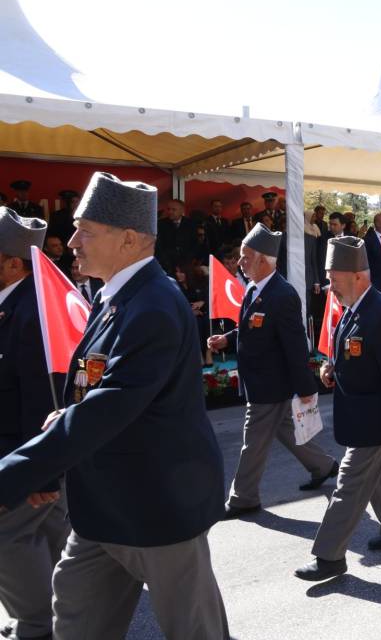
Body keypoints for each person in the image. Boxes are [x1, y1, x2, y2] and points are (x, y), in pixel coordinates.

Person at [0, 172, 229, 638]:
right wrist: (49, 462)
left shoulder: (154, 307)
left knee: (195, 630)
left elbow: (110, 405)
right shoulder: (116, 299)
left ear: (128, 239)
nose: (73, 240)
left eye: (87, 230)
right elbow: (93, 393)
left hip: (157, 507)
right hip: (103, 506)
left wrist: (15, 473)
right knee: (76, 616)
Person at [295, 236, 381, 581]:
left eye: (333, 279)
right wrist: (332, 367)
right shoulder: (354, 308)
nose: (328, 286)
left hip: (376, 419)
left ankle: (329, 556)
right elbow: (352, 351)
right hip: (360, 415)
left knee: (348, 485)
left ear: (358, 277)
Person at [207, 223, 339, 519]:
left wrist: (306, 389)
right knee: (284, 430)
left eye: (245, 257)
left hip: (271, 383)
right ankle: (323, 465)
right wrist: (227, 339)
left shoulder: (283, 295)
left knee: (252, 442)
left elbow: (295, 346)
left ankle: (243, 498)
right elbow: (252, 327)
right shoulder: (254, 288)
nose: (239, 262)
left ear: (264, 260)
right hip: (259, 380)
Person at [0, 207, 70, 640]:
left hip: (24, 452)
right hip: (27, 451)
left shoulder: (32, 313)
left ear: (11, 263)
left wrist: (39, 469)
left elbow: (44, 399)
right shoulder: (16, 303)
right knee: (47, 530)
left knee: (8, 535)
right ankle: (66, 611)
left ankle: (37, 624)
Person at [155, 199, 197, 273]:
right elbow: (158, 245)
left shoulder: (191, 224)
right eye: (168, 209)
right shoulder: (161, 224)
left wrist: (190, 259)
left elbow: (195, 243)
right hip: (166, 264)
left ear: (182, 211)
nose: (170, 212)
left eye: (173, 210)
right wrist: (164, 260)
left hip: (186, 264)